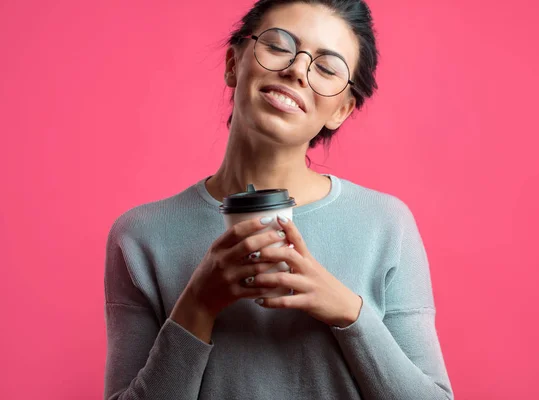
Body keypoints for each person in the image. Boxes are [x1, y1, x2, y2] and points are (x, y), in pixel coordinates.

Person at [103, 0, 454, 399]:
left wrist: (349, 312)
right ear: (234, 63)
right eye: (280, 45)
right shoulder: (140, 237)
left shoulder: (387, 225)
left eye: (326, 68)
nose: (297, 71)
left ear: (341, 109)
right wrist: (198, 305)